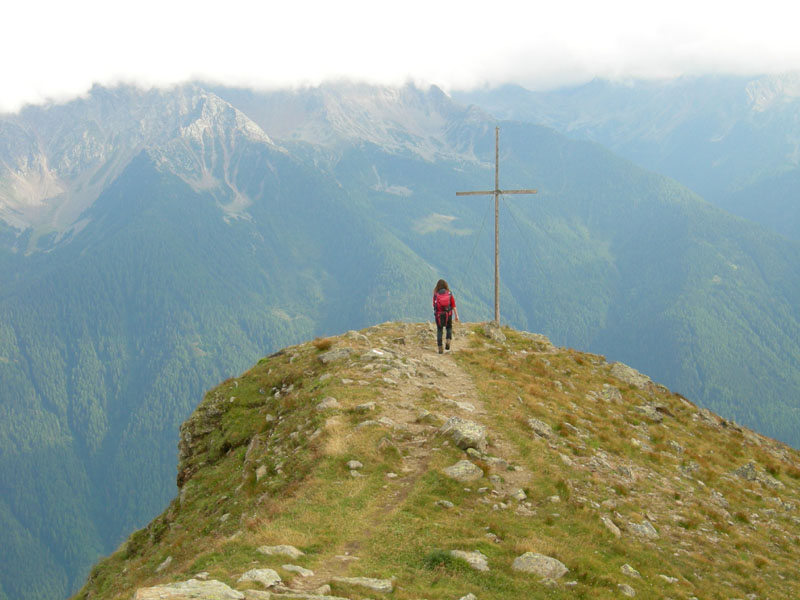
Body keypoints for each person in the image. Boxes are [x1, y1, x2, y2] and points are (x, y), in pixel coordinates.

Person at [433, 279, 459, 354]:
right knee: (449, 327)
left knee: (440, 330)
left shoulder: (436, 295)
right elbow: (453, 305)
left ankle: (440, 347)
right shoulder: (449, 294)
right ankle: (448, 340)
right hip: (449, 314)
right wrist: (456, 315)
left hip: (438, 315)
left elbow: (434, 305)